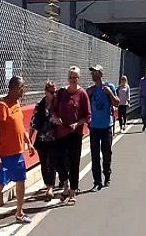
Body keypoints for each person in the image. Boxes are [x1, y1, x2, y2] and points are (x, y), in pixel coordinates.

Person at [0, 76, 34, 233]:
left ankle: (19, 213)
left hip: (18, 153)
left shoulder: (17, 103)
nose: (23, 90)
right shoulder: (2, 106)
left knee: (21, 182)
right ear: (14, 88)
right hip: (5, 156)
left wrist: (29, 142)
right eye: (21, 87)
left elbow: (20, 127)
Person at [52, 66, 91, 204]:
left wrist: (78, 123)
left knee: (74, 162)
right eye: (71, 77)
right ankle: (65, 183)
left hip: (75, 133)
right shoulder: (62, 93)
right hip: (61, 132)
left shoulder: (82, 94)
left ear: (78, 78)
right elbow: (54, 110)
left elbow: (87, 116)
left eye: (75, 77)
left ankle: (72, 191)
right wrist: (56, 118)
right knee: (57, 160)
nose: (73, 80)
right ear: (67, 78)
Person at [86, 65, 120, 190]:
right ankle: (97, 181)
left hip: (106, 126)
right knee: (94, 155)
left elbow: (117, 102)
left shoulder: (108, 87)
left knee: (106, 153)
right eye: (92, 73)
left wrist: (110, 93)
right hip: (94, 127)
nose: (93, 75)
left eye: (95, 72)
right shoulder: (90, 90)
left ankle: (107, 176)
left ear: (100, 74)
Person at [29, 81, 58, 201]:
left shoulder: (57, 105)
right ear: (46, 92)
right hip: (42, 139)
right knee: (44, 163)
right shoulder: (39, 106)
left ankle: (50, 187)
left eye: (55, 91)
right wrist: (29, 138)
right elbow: (33, 123)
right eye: (52, 92)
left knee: (51, 163)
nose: (54, 94)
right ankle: (47, 184)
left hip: (54, 138)